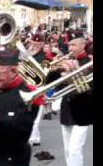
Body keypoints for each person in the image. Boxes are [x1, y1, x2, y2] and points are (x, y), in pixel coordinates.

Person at [46, 36, 93, 166]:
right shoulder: (66, 61)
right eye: (69, 45)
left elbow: (89, 89)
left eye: (74, 45)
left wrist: (75, 74)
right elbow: (50, 83)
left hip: (83, 109)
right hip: (67, 108)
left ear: (83, 45)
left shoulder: (89, 62)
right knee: (67, 149)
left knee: (74, 150)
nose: (70, 48)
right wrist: (54, 70)